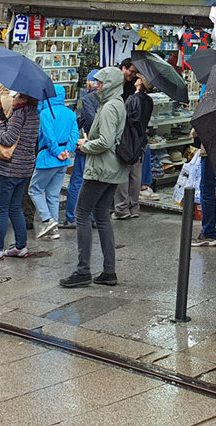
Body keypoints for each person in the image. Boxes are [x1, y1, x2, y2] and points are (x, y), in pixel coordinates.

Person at [60, 67, 127, 288]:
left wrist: (85, 144)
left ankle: (83, 270)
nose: (96, 86)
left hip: (100, 169)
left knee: (81, 214)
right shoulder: (118, 104)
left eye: (101, 82)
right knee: (102, 216)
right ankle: (109, 271)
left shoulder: (108, 108)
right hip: (112, 169)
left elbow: (105, 141)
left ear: (110, 84)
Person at [0, 94, 41, 260]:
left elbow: (8, 139)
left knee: (0, 209)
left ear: (24, 99)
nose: (14, 98)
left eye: (17, 95)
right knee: (14, 207)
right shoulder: (34, 113)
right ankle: (20, 246)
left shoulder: (19, 114)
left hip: (10, 168)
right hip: (25, 167)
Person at [31, 84, 77, 240]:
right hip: (64, 159)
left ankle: (47, 219)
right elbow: (74, 134)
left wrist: (57, 152)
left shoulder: (45, 113)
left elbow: (49, 136)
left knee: (35, 190)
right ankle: (54, 228)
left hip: (48, 157)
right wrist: (67, 151)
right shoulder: (70, 113)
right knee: (53, 194)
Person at [64, 70, 100, 228]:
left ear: (90, 83)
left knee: (78, 180)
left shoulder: (86, 100)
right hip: (101, 146)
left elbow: (89, 121)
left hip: (86, 144)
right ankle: (92, 216)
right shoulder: (109, 100)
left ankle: (72, 216)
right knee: (94, 181)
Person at [114, 75, 154, 219]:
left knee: (124, 172)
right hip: (141, 138)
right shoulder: (149, 101)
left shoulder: (132, 99)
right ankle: (134, 207)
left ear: (141, 83)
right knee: (136, 174)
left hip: (129, 139)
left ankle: (121, 208)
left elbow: (124, 118)